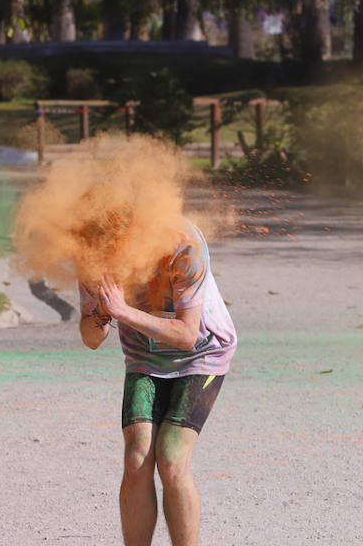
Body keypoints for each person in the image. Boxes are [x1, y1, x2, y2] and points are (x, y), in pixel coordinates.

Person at [78, 216, 237, 546]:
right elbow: (91, 338)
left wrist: (121, 311)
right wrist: (101, 314)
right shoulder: (92, 252)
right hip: (144, 357)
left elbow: (186, 335)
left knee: (172, 458)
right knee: (137, 458)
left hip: (202, 355)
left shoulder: (183, 244)